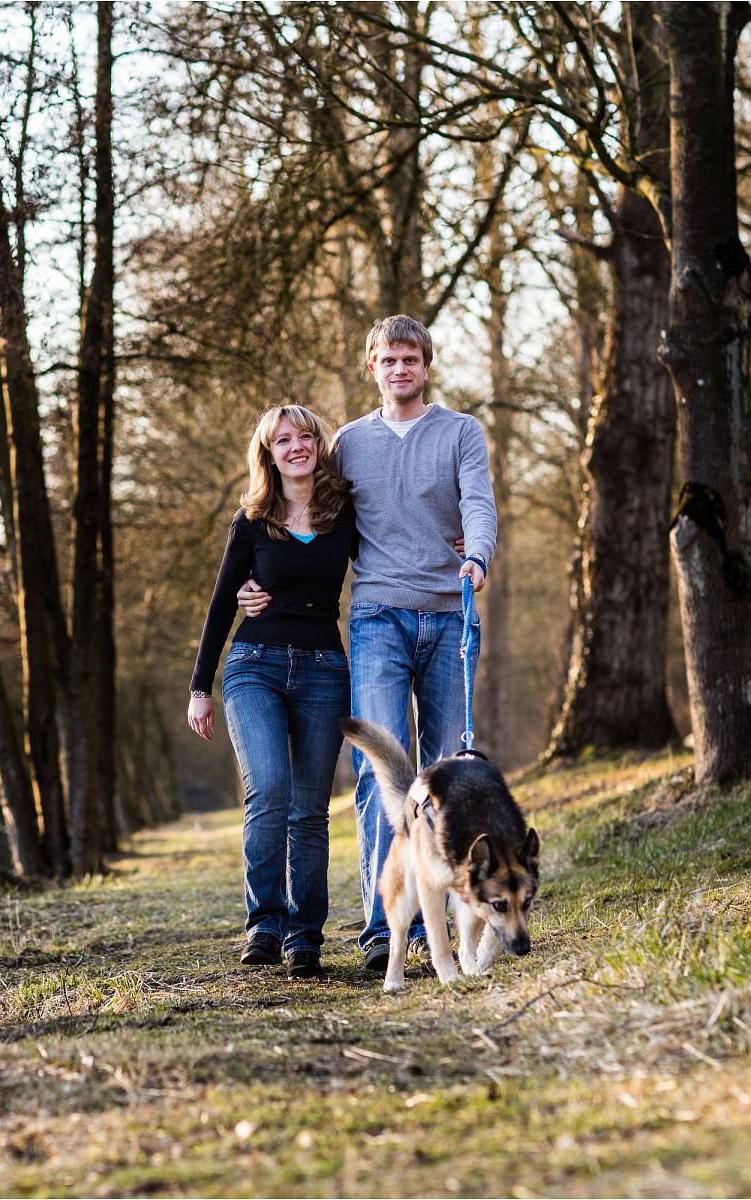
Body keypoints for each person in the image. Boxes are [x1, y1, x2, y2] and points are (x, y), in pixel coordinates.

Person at [238, 315, 497, 974]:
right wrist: (256, 583)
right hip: (377, 615)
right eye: (388, 360)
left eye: (410, 359)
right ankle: (385, 926)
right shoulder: (348, 443)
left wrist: (479, 556)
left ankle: (442, 917)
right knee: (382, 772)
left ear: (427, 366)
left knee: (445, 776)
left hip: (449, 614)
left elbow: (478, 504)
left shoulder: (462, 432)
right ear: (373, 367)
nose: (400, 370)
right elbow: (300, 510)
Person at [187, 404, 358, 981]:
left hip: (325, 672)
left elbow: (396, 551)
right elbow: (220, 602)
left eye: (304, 437)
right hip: (254, 664)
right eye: (282, 440)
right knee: (269, 790)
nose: (295, 447)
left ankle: (305, 936)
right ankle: (265, 923)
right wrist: (199, 685)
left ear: (318, 445)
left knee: (310, 812)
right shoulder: (252, 520)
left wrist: (457, 544)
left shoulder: (344, 512)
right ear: (269, 452)